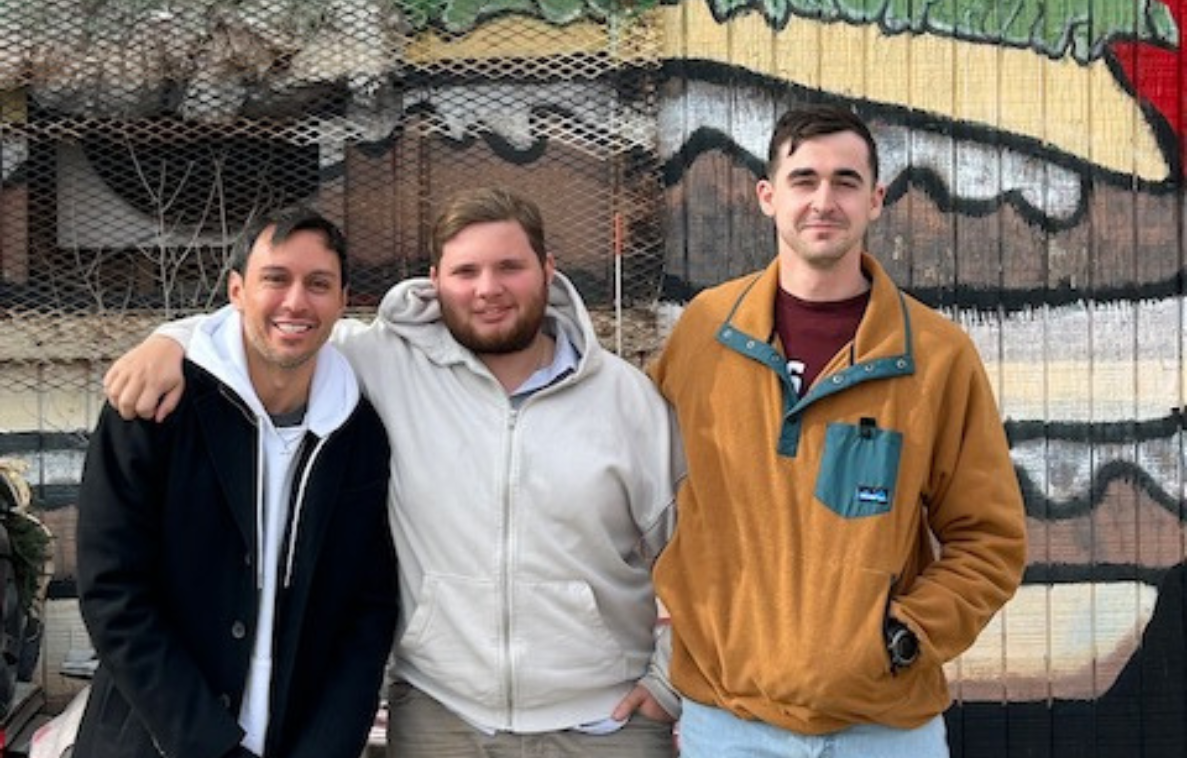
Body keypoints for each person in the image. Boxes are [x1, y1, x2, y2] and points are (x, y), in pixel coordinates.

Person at [102, 187, 684, 757]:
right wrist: (169, 340)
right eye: (465, 271)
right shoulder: (384, 362)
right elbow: (278, 329)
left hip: (607, 724)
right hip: (444, 719)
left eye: (510, 267)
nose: (488, 289)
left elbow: (701, 552)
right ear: (435, 280)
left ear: (548, 270)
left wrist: (667, 680)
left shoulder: (626, 401)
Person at [647, 104, 1028, 756]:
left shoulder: (936, 357)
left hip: (885, 732)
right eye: (804, 180)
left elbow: (989, 540)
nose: (824, 200)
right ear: (768, 197)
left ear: (876, 200)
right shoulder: (705, 335)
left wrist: (903, 636)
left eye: (845, 181)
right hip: (728, 724)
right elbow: (633, 488)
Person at [76, 208, 399, 758]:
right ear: (236, 290)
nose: (296, 302)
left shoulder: (359, 431)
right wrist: (211, 745)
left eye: (318, 284)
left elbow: (367, 613)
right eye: (275, 279)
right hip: (154, 740)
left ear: (344, 301)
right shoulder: (156, 410)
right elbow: (113, 591)